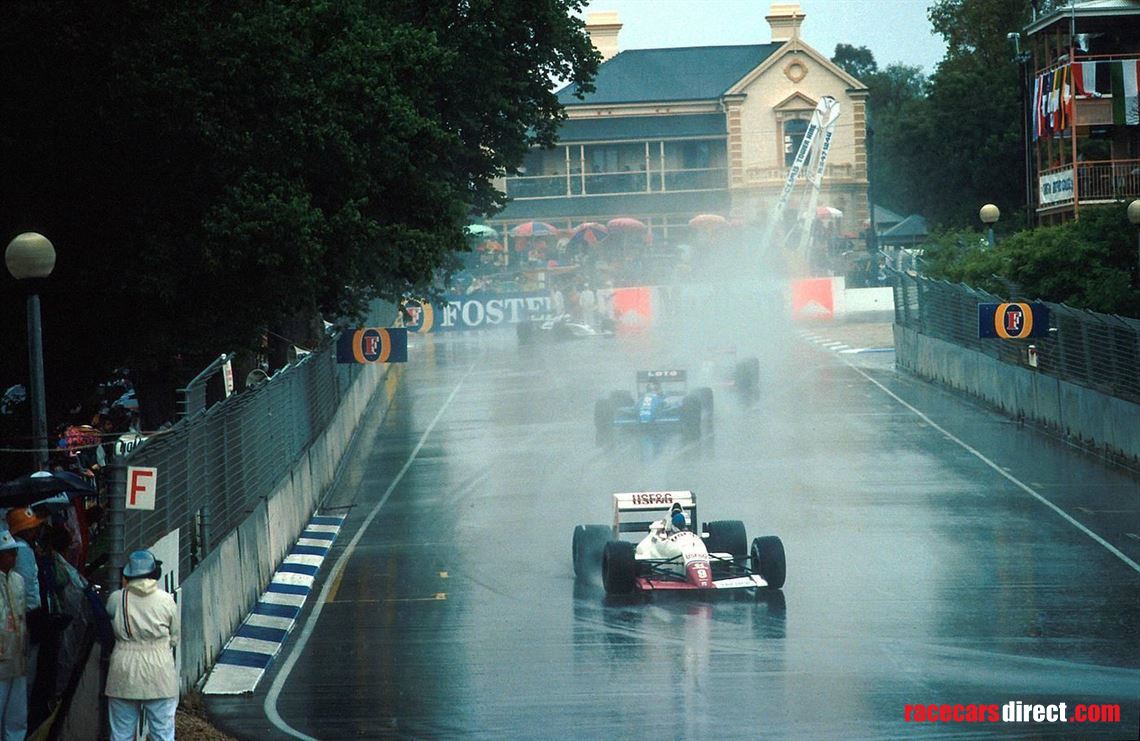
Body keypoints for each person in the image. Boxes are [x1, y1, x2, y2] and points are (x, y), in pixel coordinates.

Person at [105, 550, 179, 741]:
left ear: (126, 575)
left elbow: (109, 621)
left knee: (121, 734)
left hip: (123, 671)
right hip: (160, 672)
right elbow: (174, 637)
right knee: (163, 734)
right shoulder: (166, 600)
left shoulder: (116, 598)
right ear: (155, 574)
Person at [0, 530, 28, 740]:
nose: (14, 557)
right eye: (10, 553)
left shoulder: (18, 580)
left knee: (17, 713)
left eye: (15, 553)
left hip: (17, 654)